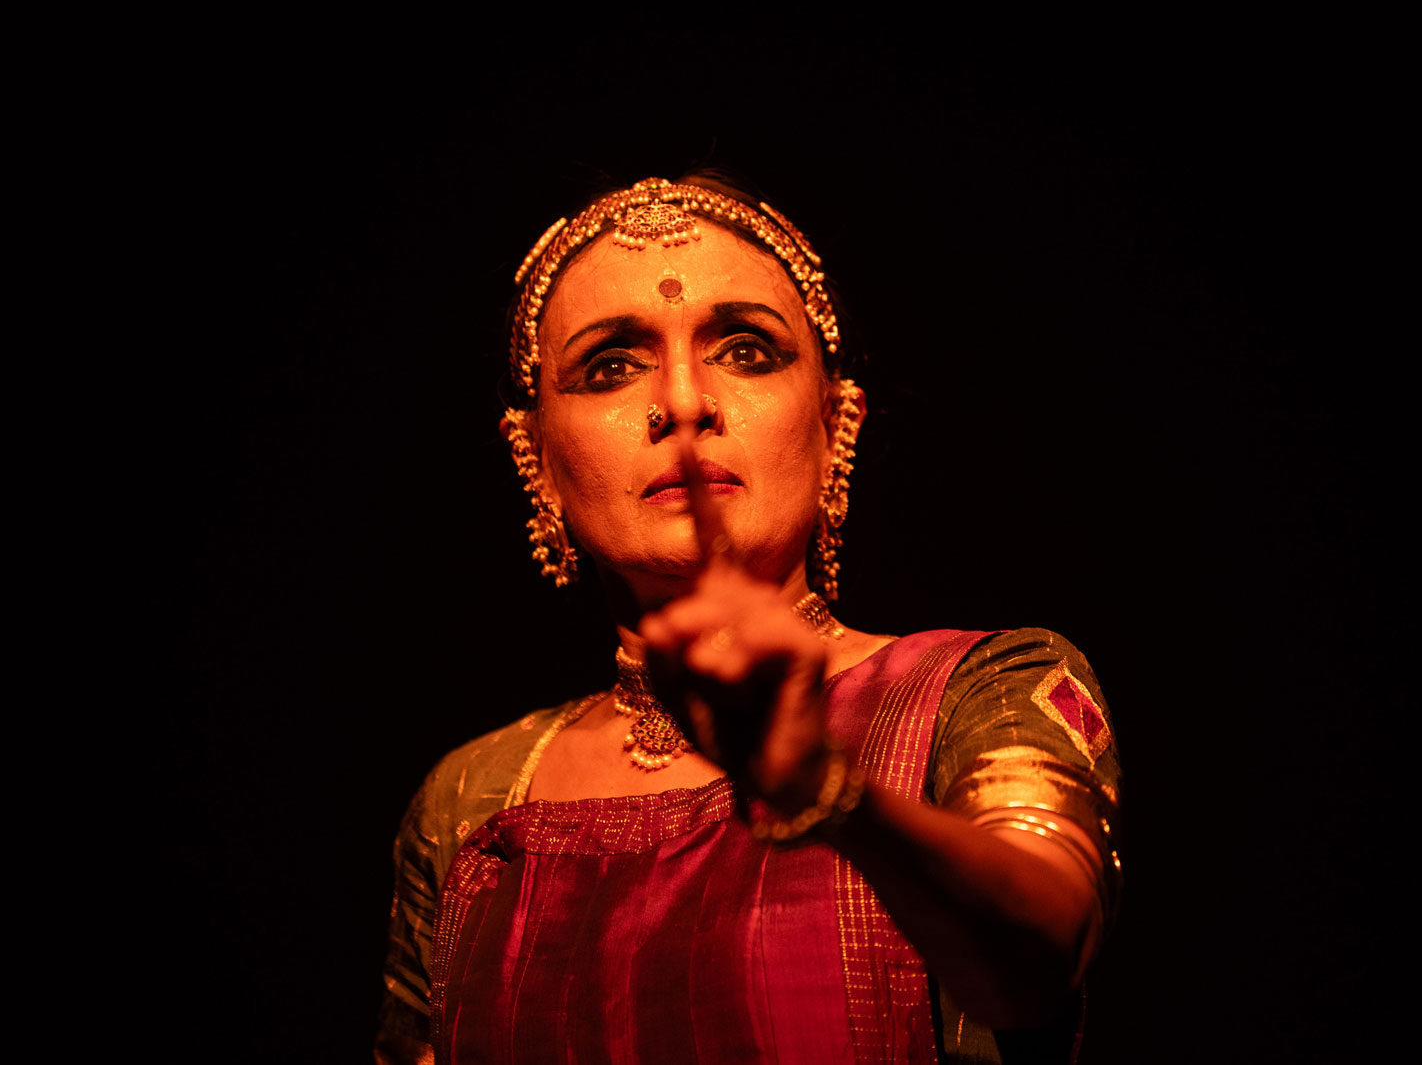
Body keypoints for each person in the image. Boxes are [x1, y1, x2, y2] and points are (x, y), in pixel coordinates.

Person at [376, 175, 1123, 1064]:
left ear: (836, 423)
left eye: (746, 350)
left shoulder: (984, 687)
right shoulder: (472, 795)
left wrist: (832, 795)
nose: (686, 401)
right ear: (534, 456)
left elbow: (1039, 960)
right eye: (611, 365)